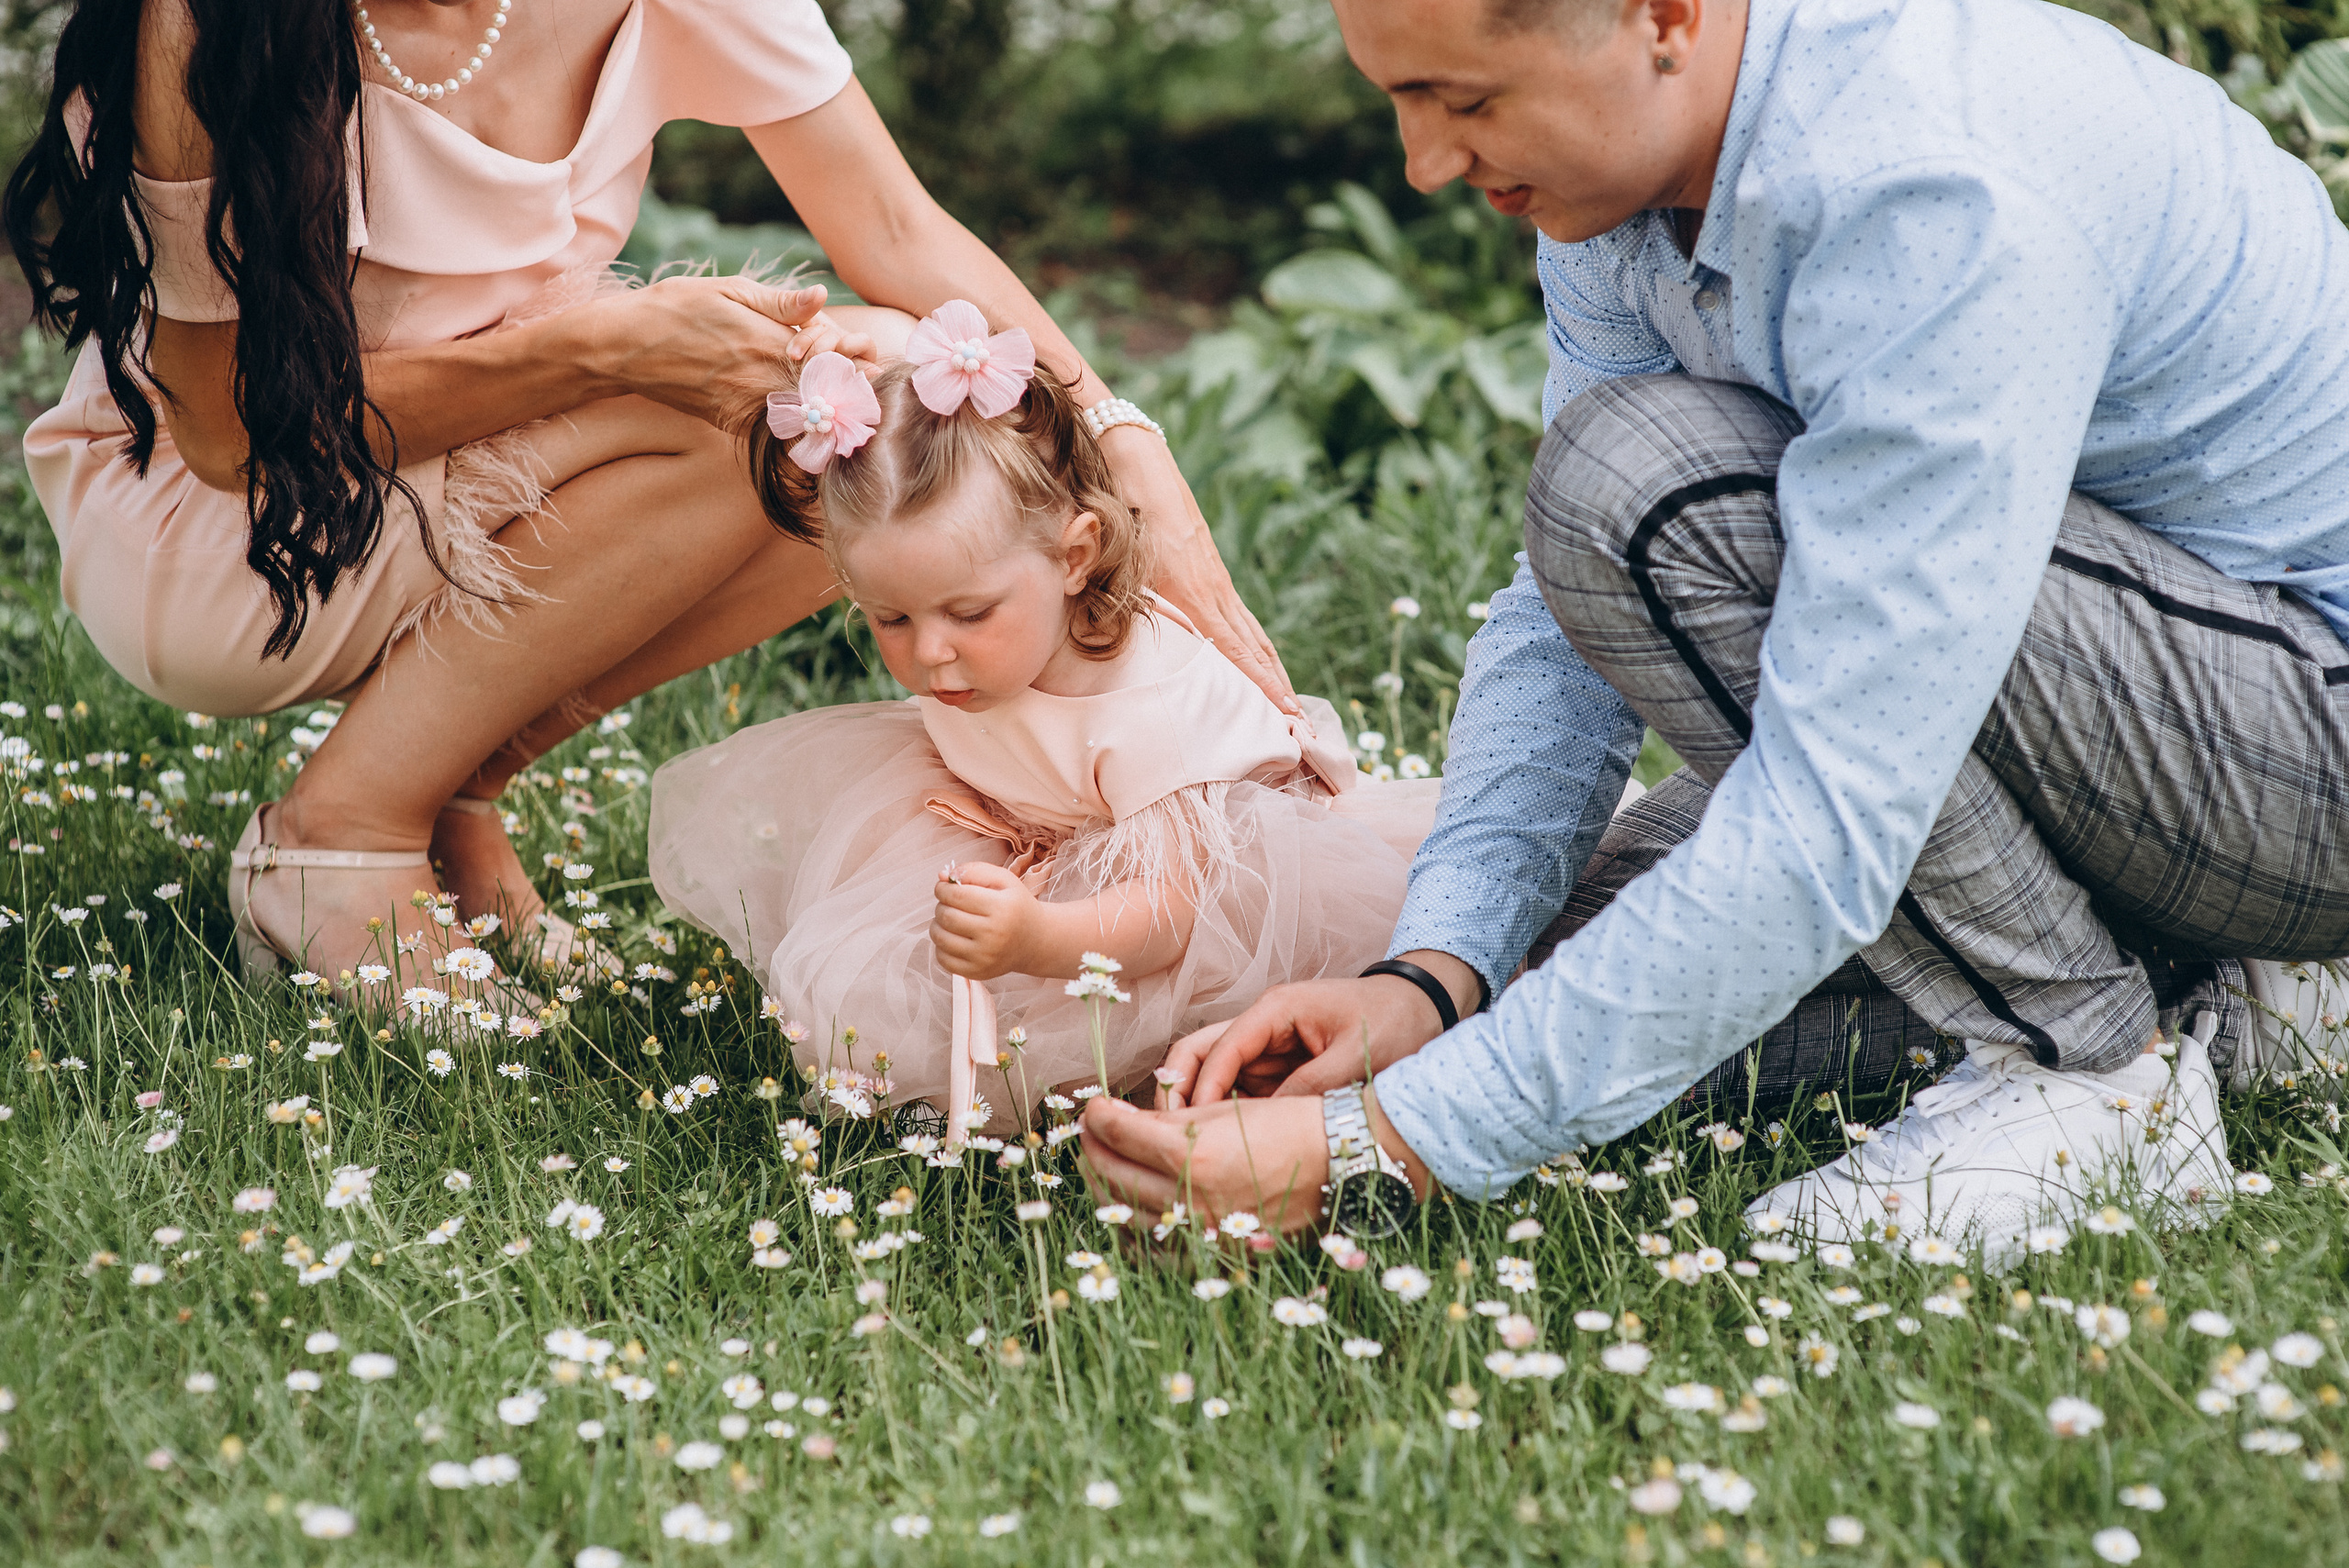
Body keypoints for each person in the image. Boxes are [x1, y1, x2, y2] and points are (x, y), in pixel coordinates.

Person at [1080, 0, 2349, 1254]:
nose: (1426, 165)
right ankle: (2236, 998)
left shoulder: (1928, 188)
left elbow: (1835, 801)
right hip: (2104, 719)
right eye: (1402, 98)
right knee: (1542, 993)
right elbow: (1561, 613)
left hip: (2308, 750)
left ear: (1665, 18)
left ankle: (2087, 1073)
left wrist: (1391, 1145)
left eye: (1466, 102)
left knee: (1643, 487)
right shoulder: (1620, 189)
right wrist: (1436, 975)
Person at [9, 0, 1288, 992]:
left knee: (857, 404)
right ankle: (342, 834)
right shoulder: (208, 21)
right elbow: (233, 437)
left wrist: (1127, 450)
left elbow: (898, 233)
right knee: (787, 393)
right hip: (225, 533)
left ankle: (448, 778)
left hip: (461, 461)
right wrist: (604, 349)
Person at [648, 304, 1437, 1130]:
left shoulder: (1143, 705)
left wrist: (1037, 939)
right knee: (892, 966)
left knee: (1200, 1054)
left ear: (1073, 556)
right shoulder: (977, 656)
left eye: (969, 612)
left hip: (1209, 895)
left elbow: (1172, 916)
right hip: (1043, 835)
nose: (932, 657)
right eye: (892, 619)